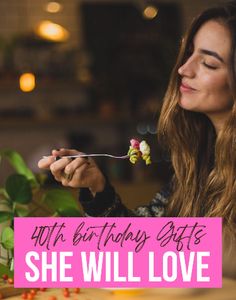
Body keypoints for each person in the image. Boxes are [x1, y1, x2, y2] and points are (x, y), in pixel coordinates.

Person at [38, 1, 236, 279]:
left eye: (208, 63)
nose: (184, 69)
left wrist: (69, 248)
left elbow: (216, 256)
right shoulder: (199, 159)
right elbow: (144, 235)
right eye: (189, 53)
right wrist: (98, 188)